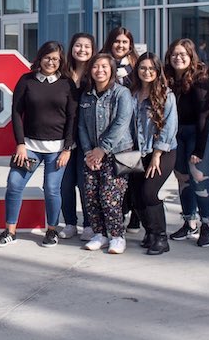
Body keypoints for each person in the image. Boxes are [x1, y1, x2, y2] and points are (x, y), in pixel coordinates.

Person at [0, 41, 76, 249]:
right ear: (40, 58)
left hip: (57, 150)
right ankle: (10, 232)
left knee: (52, 189)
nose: (51, 62)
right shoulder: (26, 81)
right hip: (29, 147)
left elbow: (73, 117)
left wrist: (67, 149)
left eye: (55, 59)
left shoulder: (67, 84)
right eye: (47, 57)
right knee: (14, 184)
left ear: (60, 61)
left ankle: (52, 230)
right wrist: (20, 144)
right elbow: (17, 114)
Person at [165, 38, 209, 247]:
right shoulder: (168, 78)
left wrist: (199, 148)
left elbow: (204, 117)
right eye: (174, 54)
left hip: (204, 130)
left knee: (199, 176)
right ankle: (190, 222)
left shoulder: (200, 79)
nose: (178, 58)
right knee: (182, 176)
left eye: (183, 54)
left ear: (191, 57)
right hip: (178, 132)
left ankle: (207, 224)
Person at [78, 53, 134, 254]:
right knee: (91, 195)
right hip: (92, 154)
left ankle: (117, 236)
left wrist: (102, 149)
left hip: (118, 153)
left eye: (104, 67)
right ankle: (99, 234)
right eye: (95, 66)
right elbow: (82, 126)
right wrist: (88, 153)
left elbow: (121, 123)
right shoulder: (86, 95)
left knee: (109, 196)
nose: (99, 70)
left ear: (111, 70)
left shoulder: (122, 93)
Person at [128, 53, 178, 255]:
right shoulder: (129, 93)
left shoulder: (167, 95)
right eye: (142, 68)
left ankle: (160, 237)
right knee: (136, 195)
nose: (147, 72)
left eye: (151, 69)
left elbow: (169, 127)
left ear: (158, 71)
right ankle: (149, 232)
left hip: (161, 152)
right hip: (134, 152)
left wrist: (156, 155)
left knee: (149, 192)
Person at [101, 26, 141, 232]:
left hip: (132, 128)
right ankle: (117, 213)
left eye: (125, 42)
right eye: (117, 41)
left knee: (130, 171)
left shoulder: (137, 65)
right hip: (106, 127)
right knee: (112, 176)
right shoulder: (101, 64)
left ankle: (134, 213)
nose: (121, 45)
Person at [60, 32, 95, 242]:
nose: (82, 50)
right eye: (78, 45)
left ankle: (89, 224)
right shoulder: (62, 73)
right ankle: (70, 223)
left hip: (88, 137)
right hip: (63, 136)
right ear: (71, 47)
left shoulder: (96, 73)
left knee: (85, 182)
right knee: (65, 182)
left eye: (87, 46)